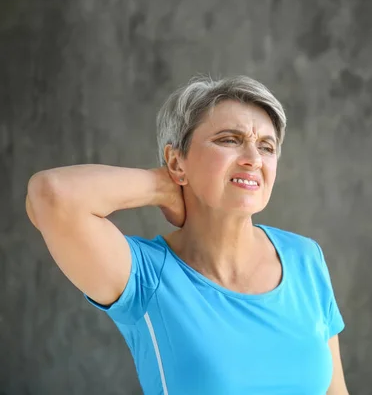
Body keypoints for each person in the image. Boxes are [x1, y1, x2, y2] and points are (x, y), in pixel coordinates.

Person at [25, 75, 349, 394]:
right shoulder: (145, 277)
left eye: (266, 146)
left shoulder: (305, 257)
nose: (253, 160)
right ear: (177, 161)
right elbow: (52, 195)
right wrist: (163, 186)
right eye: (229, 140)